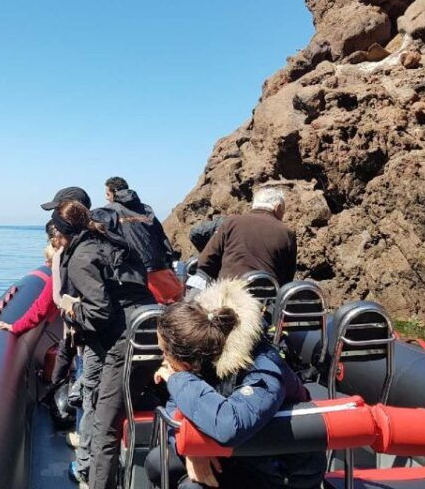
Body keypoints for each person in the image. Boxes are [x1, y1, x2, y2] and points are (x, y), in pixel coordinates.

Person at [145, 278, 325, 488]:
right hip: (239, 456)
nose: (163, 360)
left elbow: (230, 425)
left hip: (281, 471)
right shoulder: (205, 354)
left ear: (188, 360)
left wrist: (177, 379)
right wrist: (191, 449)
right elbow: (176, 410)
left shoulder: (262, 366)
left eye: (165, 352)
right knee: (158, 462)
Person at [55, 200, 154, 489]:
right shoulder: (114, 242)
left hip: (125, 342)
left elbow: (99, 313)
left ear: (62, 234)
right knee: (124, 405)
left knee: (104, 426)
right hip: (150, 329)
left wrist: (72, 309)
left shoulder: (80, 259)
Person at [102, 176, 182, 304]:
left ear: (114, 193)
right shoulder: (146, 209)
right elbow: (161, 236)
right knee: (176, 308)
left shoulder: (109, 211)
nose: (106, 198)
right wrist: (170, 260)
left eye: (107, 194)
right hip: (161, 269)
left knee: (151, 313)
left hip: (137, 274)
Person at [197, 187, 297, 286]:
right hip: (268, 297)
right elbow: (288, 277)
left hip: (230, 295)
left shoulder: (231, 223)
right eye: (283, 210)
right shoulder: (287, 233)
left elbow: (205, 262)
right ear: (278, 207)